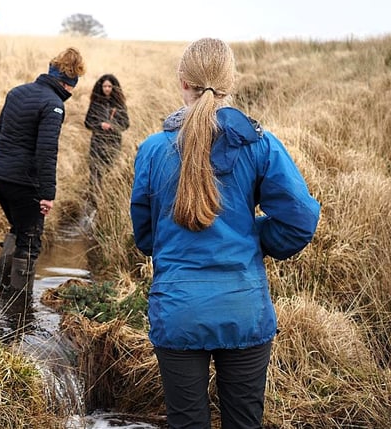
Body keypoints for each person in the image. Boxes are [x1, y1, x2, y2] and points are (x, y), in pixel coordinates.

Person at [130, 38, 320, 428]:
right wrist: (256, 238)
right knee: (244, 421)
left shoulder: (153, 149)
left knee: (186, 422)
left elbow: (145, 234)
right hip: (245, 309)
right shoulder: (260, 145)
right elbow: (300, 219)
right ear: (230, 83)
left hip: (177, 310)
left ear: (183, 81)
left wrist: (172, 248)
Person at [0, 47, 86, 296]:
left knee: (19, 229)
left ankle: (1, 289)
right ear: (69, 82)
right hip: (22, 183)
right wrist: (47, 194)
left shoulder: (17, 92)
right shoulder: (53, 105)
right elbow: (46, 151)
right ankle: (18, 305)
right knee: (30, 240)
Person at [83, 73, 130, 201]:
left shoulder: (120, 105)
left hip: (113, 143)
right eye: (105, 86)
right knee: (95, 171)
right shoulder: (95, 104)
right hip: (97, 142)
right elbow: (87, 122)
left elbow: (126, 124)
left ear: (114, 87)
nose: (107, 89)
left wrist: (112, 126)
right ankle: (94, 199)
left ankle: (107, 199)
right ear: (101, 87)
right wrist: (99, 125)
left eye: (110, 86)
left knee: (110, 170)